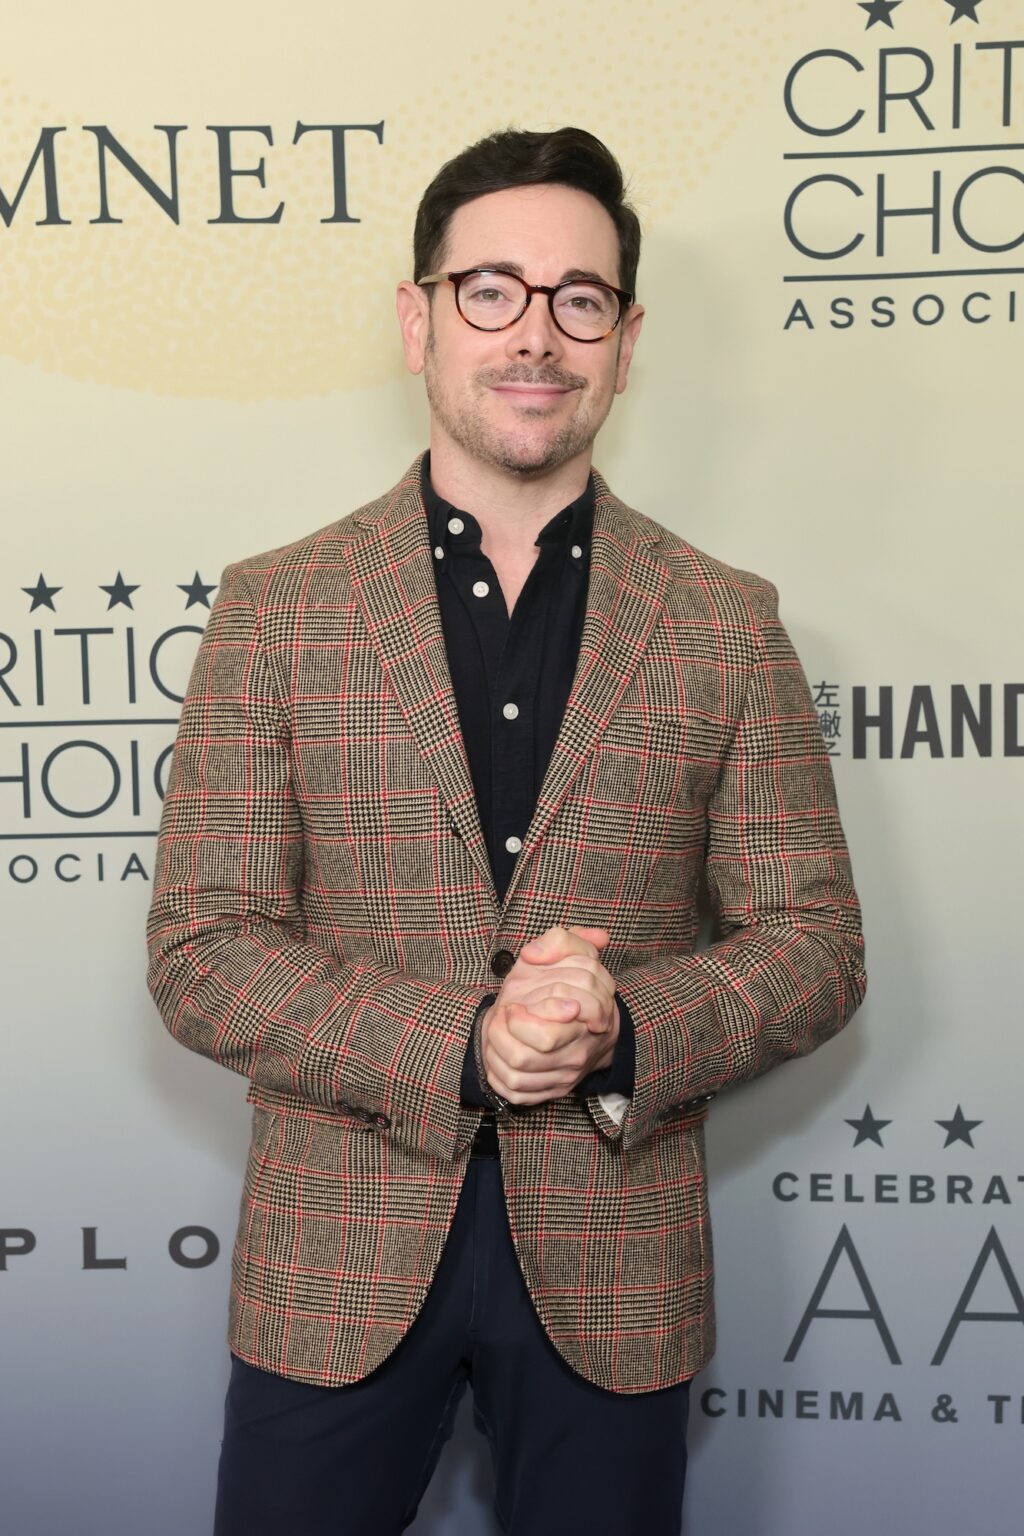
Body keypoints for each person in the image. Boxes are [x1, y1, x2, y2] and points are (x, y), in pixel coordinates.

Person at [147, 125, 866, 1536]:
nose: (535, 335)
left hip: (617, 1261)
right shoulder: (277, 607)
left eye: (578, 299)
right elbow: (202, 948)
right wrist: (459, 1045)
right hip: (333, 1259)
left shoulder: (725, 619)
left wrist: (627, 1031)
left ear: (626, 334)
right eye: (491, 289)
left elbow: (817, 946)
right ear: (418, 316)